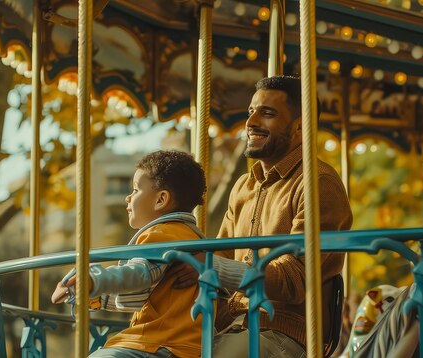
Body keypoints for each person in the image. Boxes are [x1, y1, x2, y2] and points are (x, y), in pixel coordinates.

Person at [171, 75, 353, 357]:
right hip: (231, 325)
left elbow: (296, 278)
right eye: (251, 112)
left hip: (282, 330)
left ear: (300, 126)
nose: (251, 121)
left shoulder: (317, 182)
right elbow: (222, 256)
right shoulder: (244, 185)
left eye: (267, 113)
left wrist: (210, 266)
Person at [52, 150, 207, 358]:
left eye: (135, 190)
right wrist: (95, 297)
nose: (128, 197)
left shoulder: (163, 233)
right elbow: (140, 295)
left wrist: (91, 279)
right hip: (179, 345)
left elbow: (137, 274)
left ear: (161, 199)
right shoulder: (188, 236)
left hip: (159, 343)